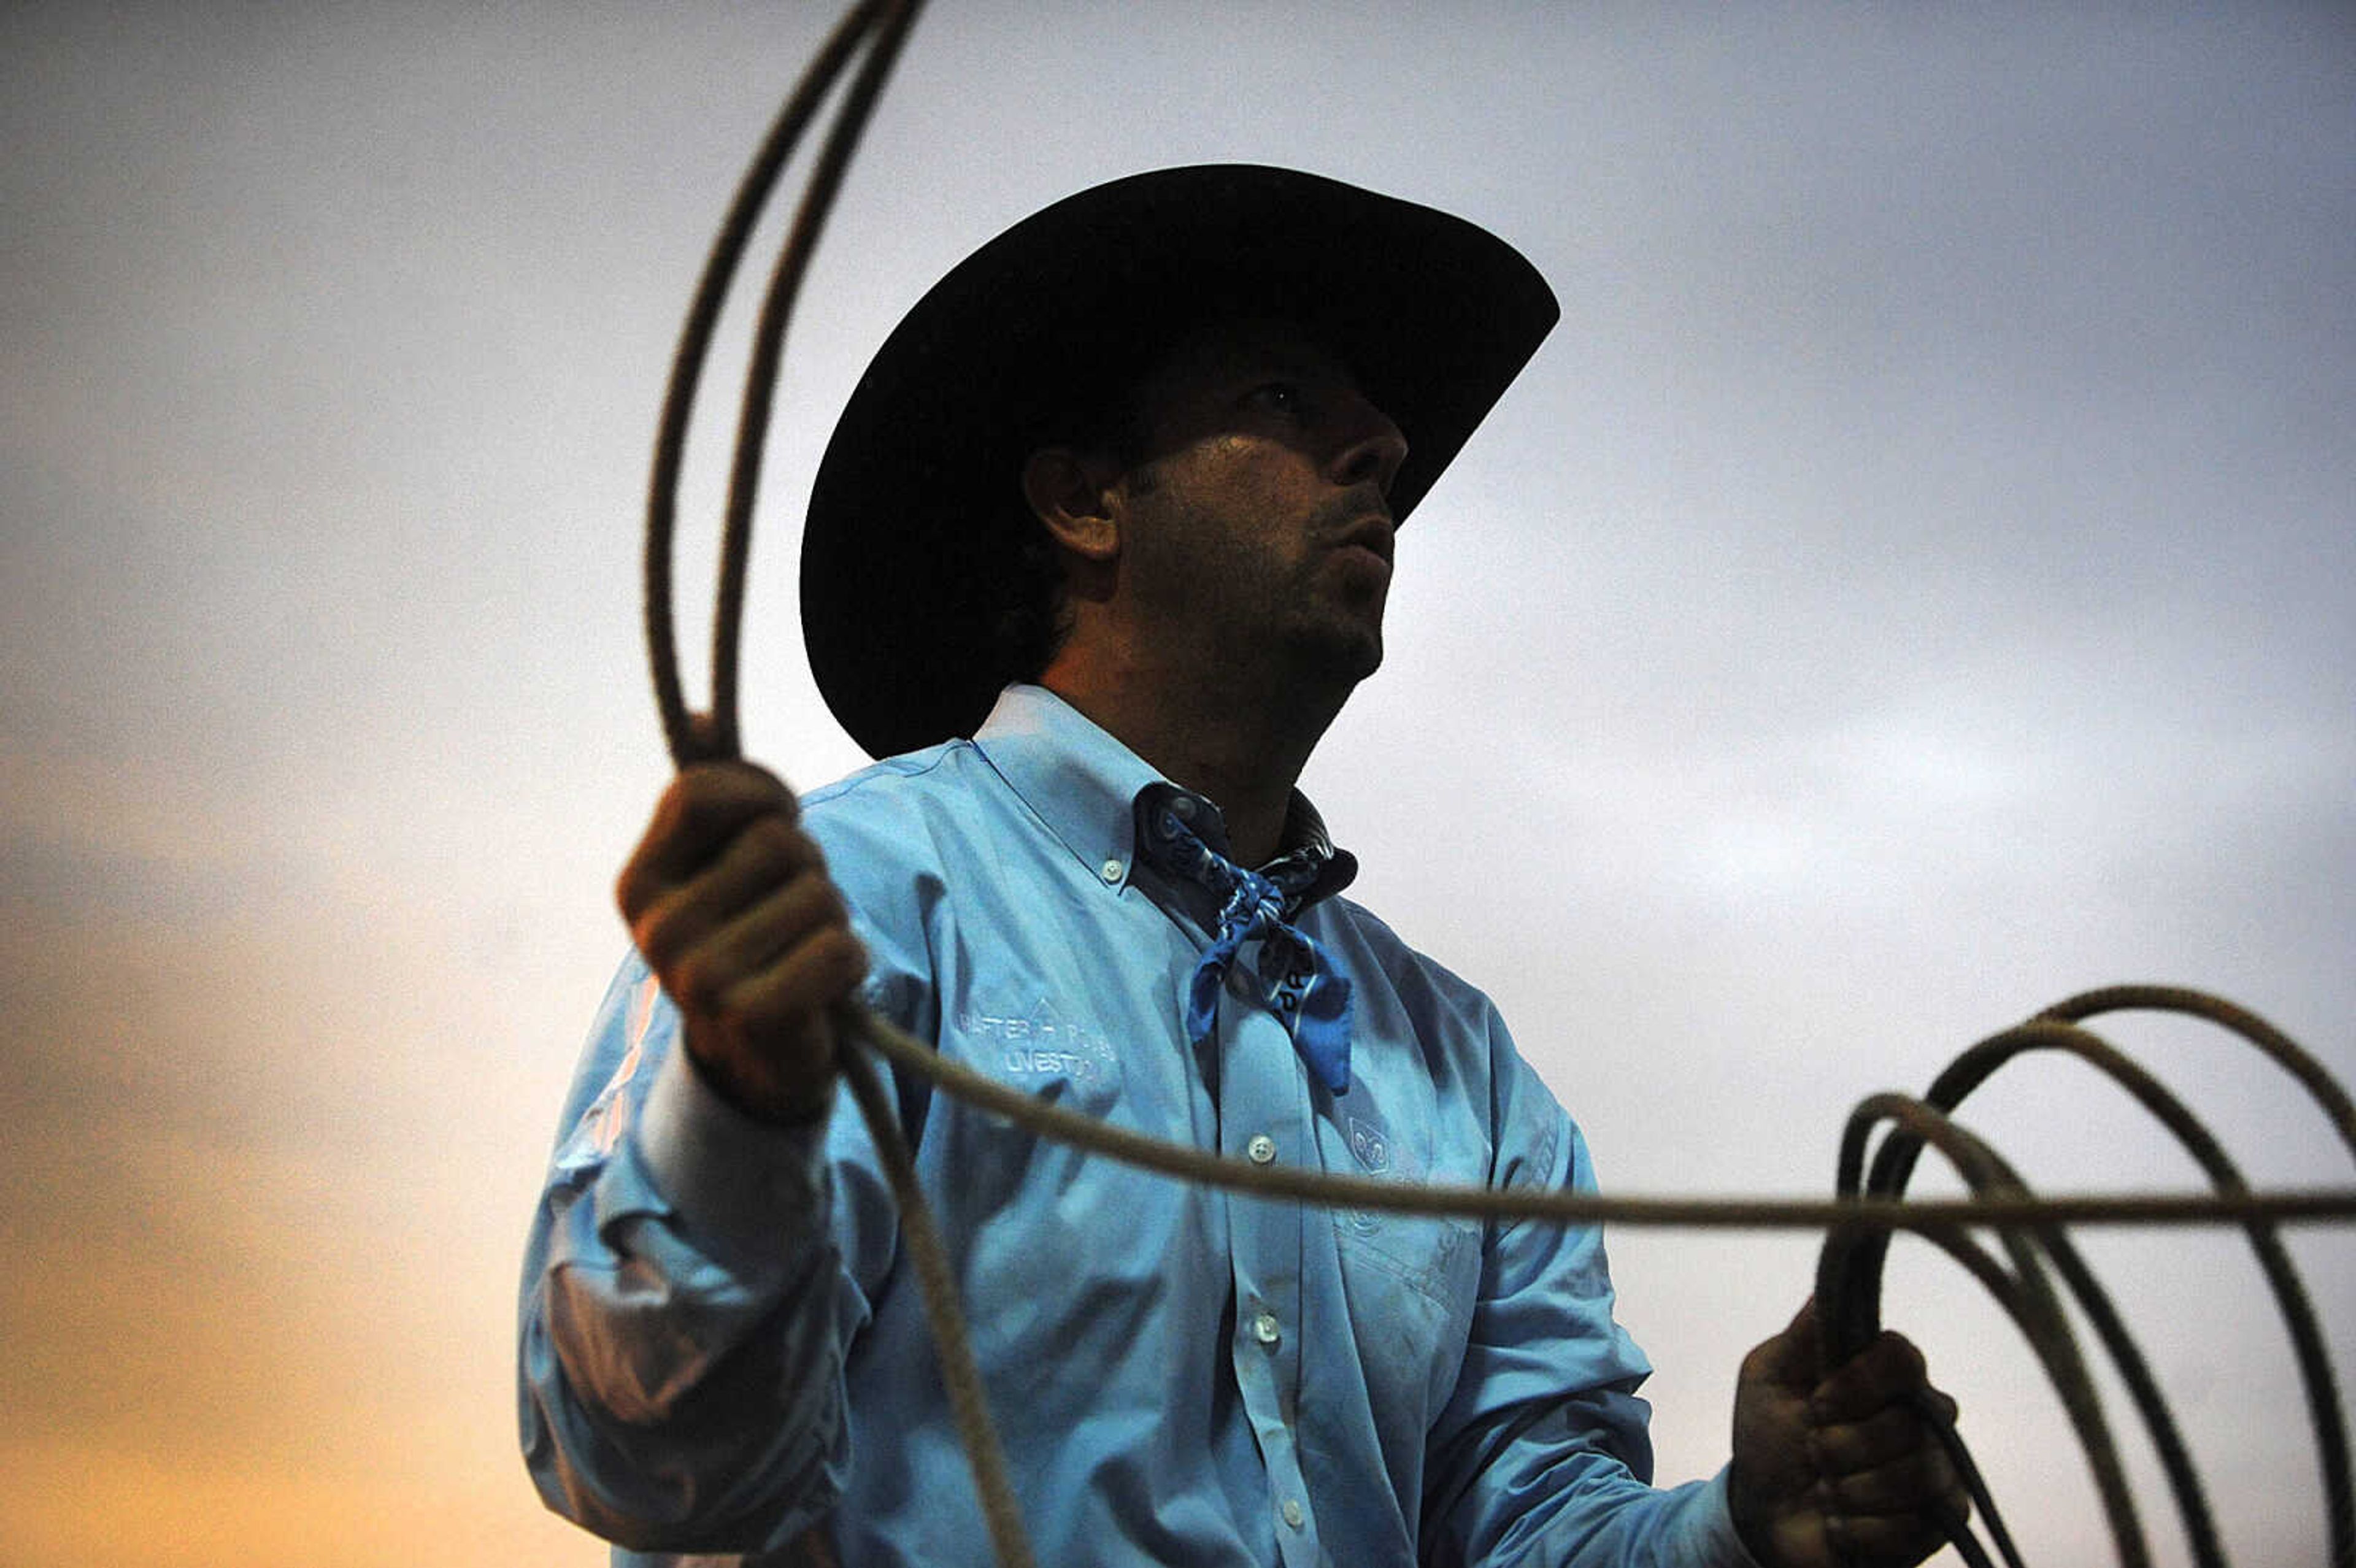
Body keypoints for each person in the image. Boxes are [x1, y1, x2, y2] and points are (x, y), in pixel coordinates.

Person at [520, 164, 1965, 1567]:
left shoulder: (1466, 1068)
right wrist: (741, 1105)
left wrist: (1744, 1538)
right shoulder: (857, 901)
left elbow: (1519, 1527)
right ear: (1087, 502)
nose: (1386, 445)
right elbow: (637, 1460)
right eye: (1282, 400)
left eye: (1373, 424)